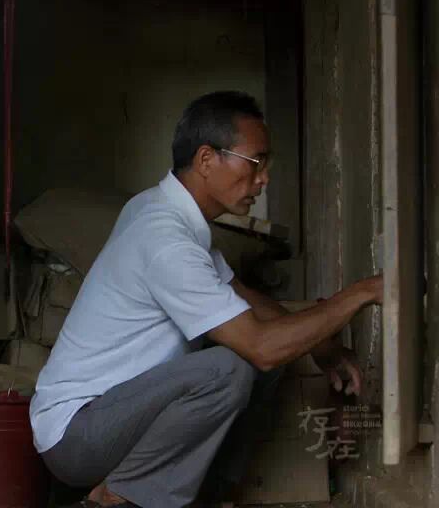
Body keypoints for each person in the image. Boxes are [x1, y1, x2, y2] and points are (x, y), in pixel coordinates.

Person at [29, 91, 383, 508]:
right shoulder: (165, 239)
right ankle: (116, 498)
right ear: (206, 159)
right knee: (231, 367)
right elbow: (261, 346)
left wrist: (322, 347)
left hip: (110, 417)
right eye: (255, 162)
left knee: (263, 355)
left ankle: (211, 497)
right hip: (79, 433)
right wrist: (362, 292)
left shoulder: (166, 212)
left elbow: (244, 298)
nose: (264, 179)